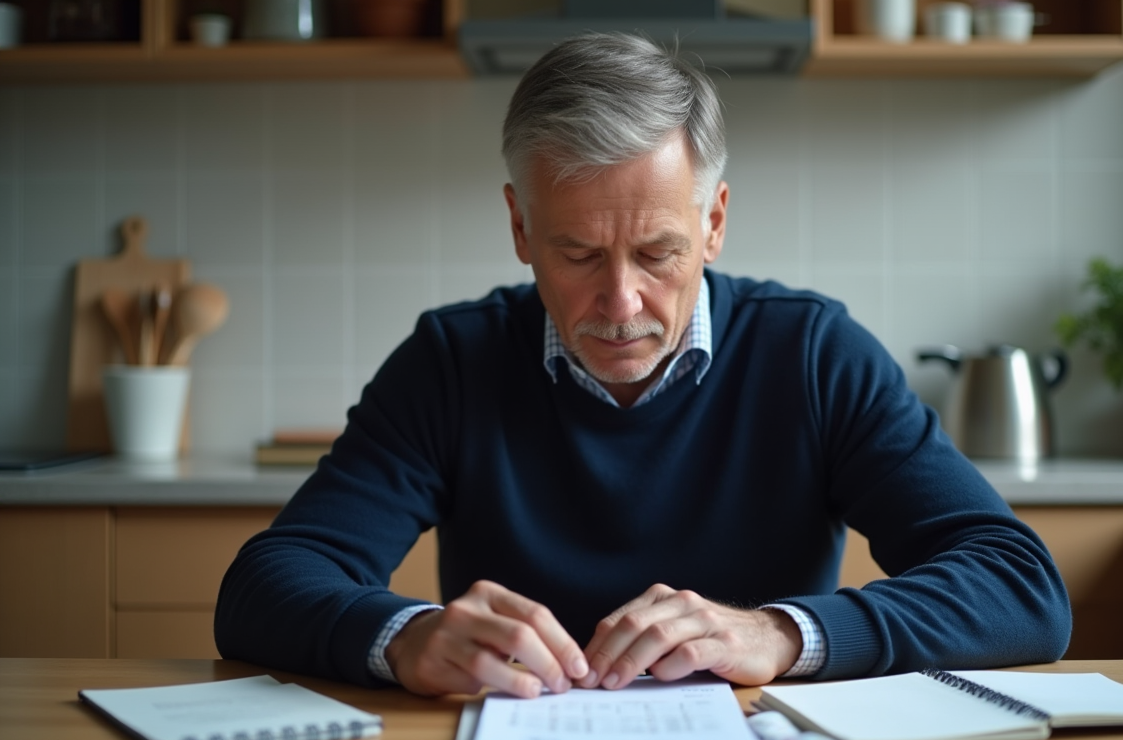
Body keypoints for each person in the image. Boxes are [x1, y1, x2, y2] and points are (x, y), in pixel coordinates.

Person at [215, 32, 1071, 698]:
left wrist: (781, 634)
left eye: (659, 252)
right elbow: (263, 586)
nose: (621, 304)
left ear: (715, 223)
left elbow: (1020, 586)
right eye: (579, 253)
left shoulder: (810, 354)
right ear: (520, 229)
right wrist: (401, 637)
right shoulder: (453, 362)